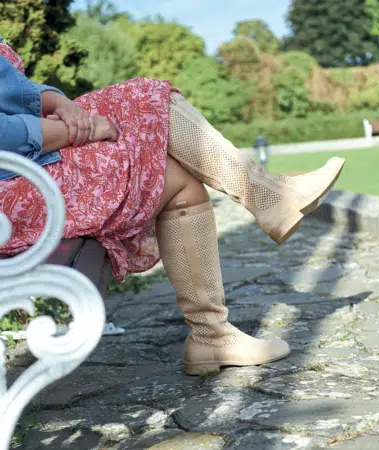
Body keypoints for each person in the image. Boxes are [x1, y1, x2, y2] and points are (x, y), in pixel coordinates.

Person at [0, 39, 345, 375]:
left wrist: (61, 102)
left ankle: (214, 331)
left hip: (30, 165)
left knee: (153, 109)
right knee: (150, 109)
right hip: (12, 194)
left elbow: (14, 91)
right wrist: (78, 132)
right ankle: (268, 200)